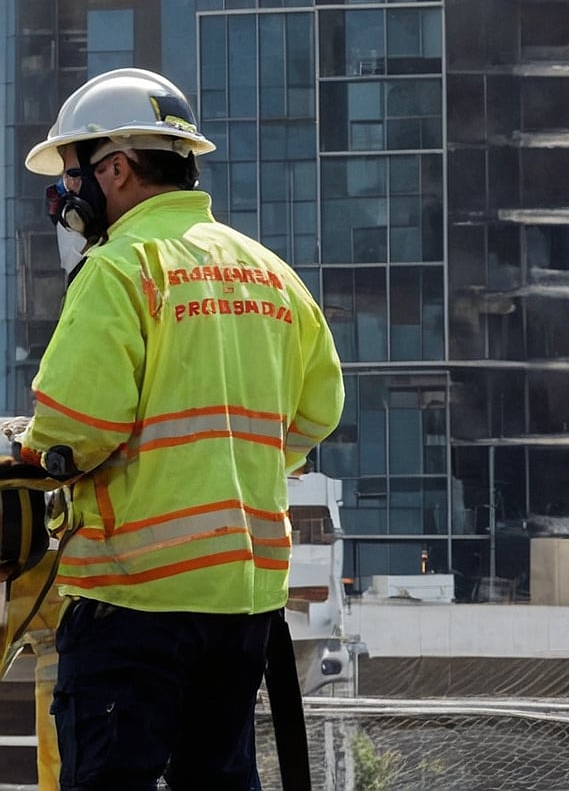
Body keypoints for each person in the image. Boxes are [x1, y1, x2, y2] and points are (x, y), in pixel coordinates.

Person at [14, 67, 344, 789]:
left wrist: (30, 448)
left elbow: (74, 431)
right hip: (244, 602)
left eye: (71, 172)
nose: (66, 194)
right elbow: (319, 412)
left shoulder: (120, 269)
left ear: (117, 169)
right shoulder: (271, 274)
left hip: (134, 599)